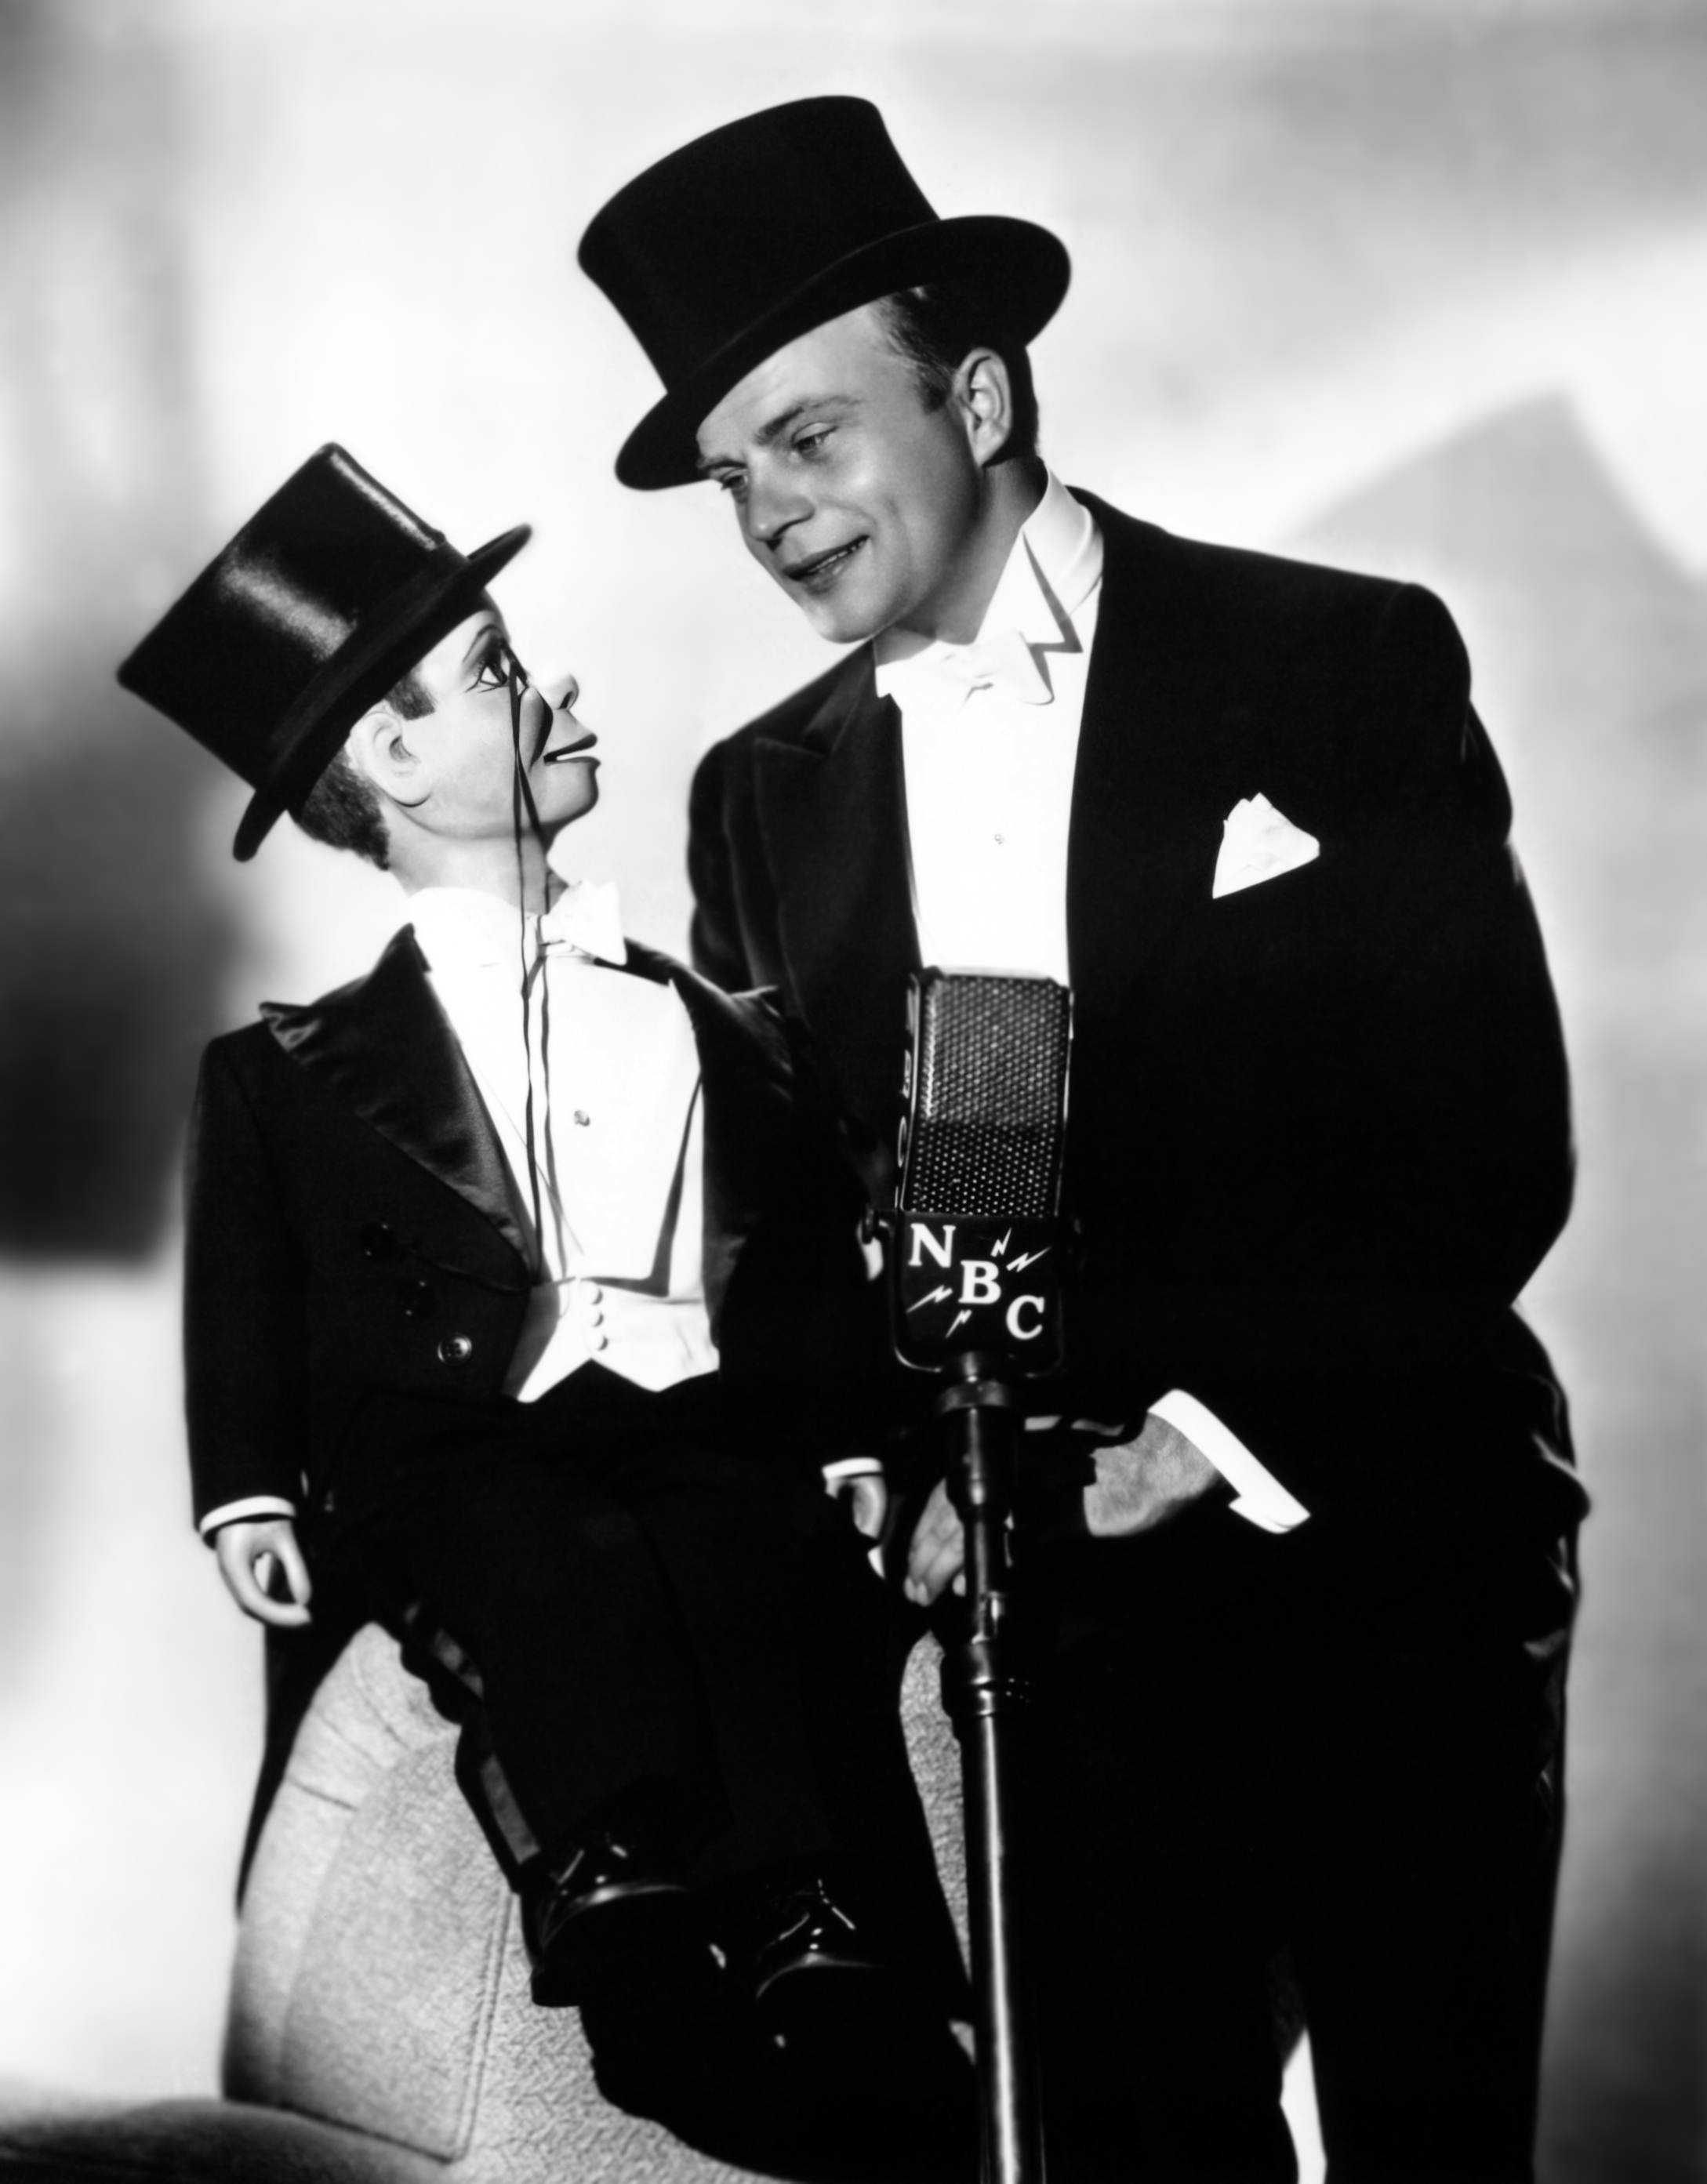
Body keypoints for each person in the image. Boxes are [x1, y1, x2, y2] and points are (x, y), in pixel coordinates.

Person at [579, 96, 1590, 2183]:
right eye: (732, 476)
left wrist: (1203, 1433)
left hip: (1374, 1531)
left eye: (808, 435)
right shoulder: (760, 797)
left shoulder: (1333, 660)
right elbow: (823, 1219)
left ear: (977, 394)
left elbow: (1484, 1132)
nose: (770, 514)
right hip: (1056, 1622)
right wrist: (882, 1458)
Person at [117, 444, 972, 2179]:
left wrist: (855, 1443)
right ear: (394, 758)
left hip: (702, 1428)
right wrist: (248, 1489)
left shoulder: (731, 1028)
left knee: (751, 1545)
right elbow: (247, 1299)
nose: (556, 686)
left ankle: (814, 1926)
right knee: (531, 1540)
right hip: (457, 1452)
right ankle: (617, 1906)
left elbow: (801, 1266)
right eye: (499, 672)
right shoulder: (284, 1073)